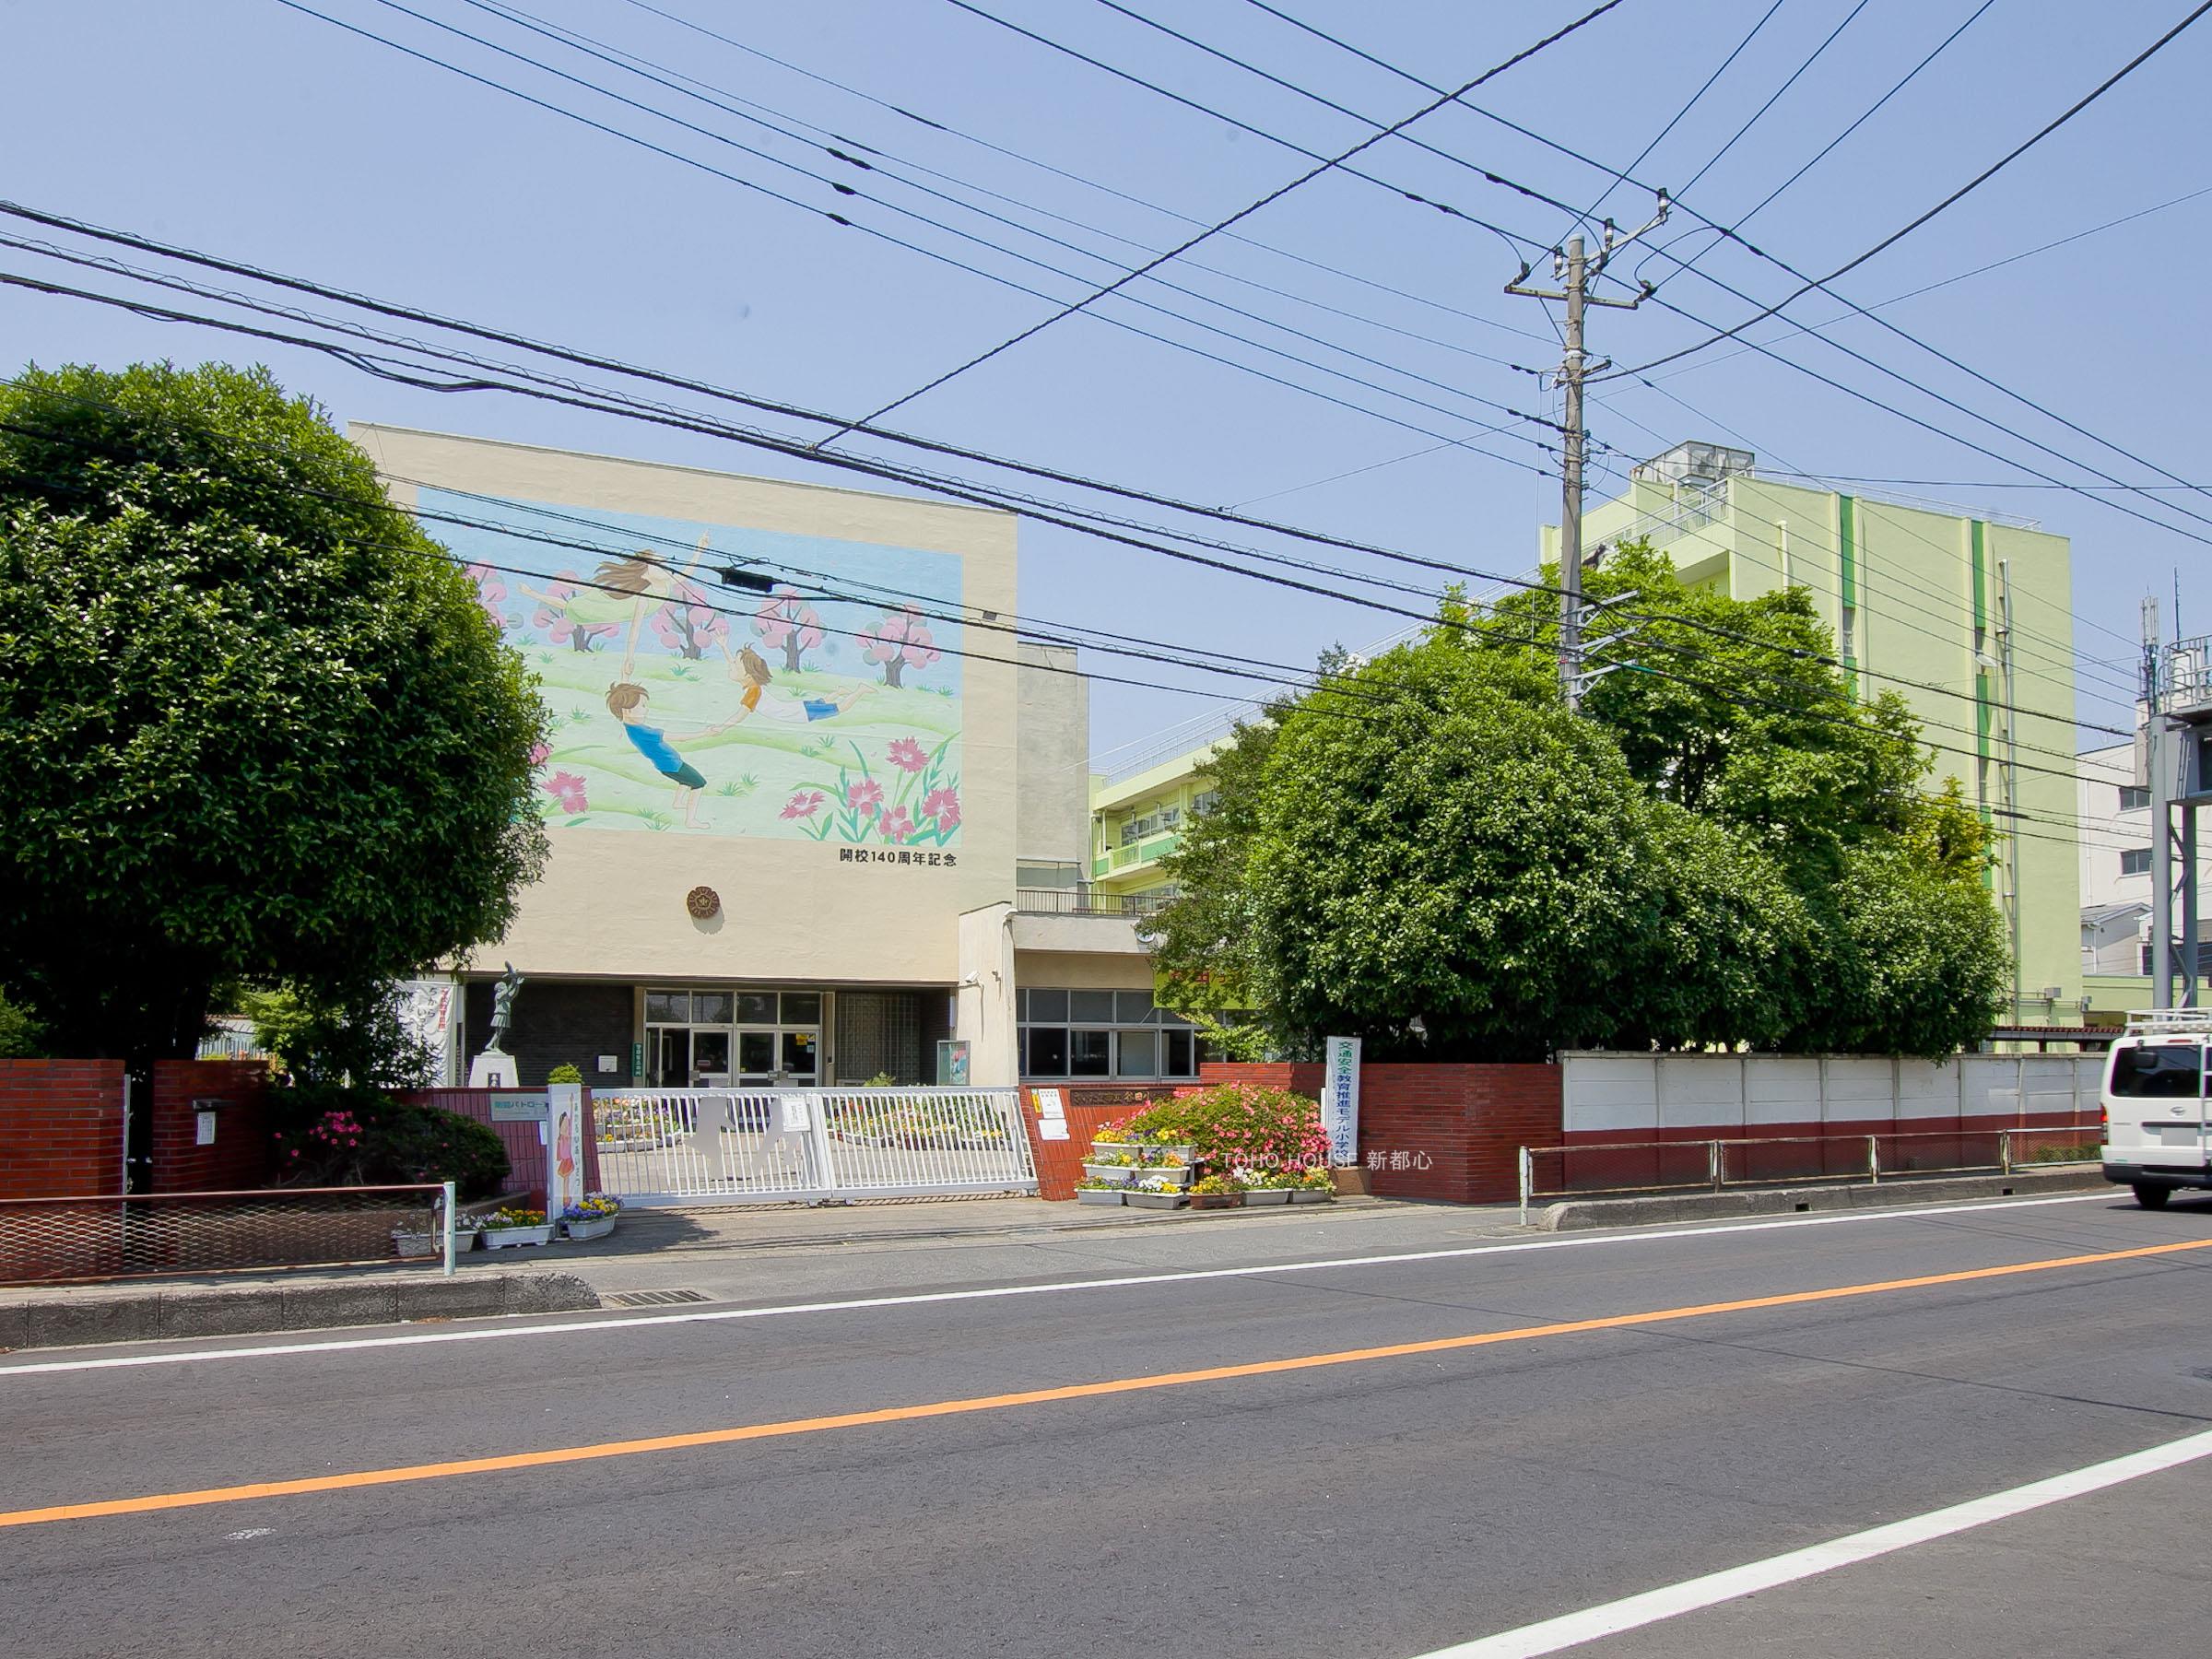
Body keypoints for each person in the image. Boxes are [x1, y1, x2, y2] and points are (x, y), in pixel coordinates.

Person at [606, 682, 739, 830]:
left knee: (685, 780)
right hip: (672, 765)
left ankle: (678, 802)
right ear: (627, 711)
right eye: (643, 706)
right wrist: (705, 733)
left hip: (667, 765)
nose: (646, 710)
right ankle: (691, 820)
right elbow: (679, 737)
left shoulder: (631, 727)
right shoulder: (644, 732)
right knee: (699, 783)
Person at [729, 643, 877, 724]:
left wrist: (722, 727)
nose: (731, 666)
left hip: (800, 713)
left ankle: (860, 690)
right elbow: (736, 665)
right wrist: (724, 646)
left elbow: (739, 716)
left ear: (748, 674)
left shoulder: (753, 692)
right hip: (798, 709)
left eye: (735, 665)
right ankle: (838, 692)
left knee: (841, 708)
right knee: (819, 702)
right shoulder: (751, 686)